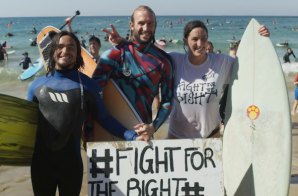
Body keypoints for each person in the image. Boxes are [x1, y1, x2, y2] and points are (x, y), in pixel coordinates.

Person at [27, 31, 144, 196]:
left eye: (71, 47)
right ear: (52, 51)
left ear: (78, 53)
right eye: (60, 47)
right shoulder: (36, 86)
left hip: (71, 165)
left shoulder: (88, 86)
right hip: (41, 164)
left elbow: (104, 118)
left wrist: (132, 136)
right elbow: (26, 124)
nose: (65, 51)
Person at [166, 20, 269, 139]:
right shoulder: (174, 61)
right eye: (194, 39)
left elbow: (251, 65)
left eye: (204, 39)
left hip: (210, 137)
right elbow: (149, 62)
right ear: (185, 41)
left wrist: (261, 40)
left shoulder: (221, 62)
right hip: (177, 138)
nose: (200, 44)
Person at [93, 5, 174, 139]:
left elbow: (167, 100)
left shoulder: (164, 61)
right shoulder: (113, 56)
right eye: (141, 23)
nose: (146, 28)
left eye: (150, 23)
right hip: (110, 133)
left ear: (155, 26)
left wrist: (154, 127)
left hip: (144, 135)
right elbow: (94, 96)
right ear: (132, 25)